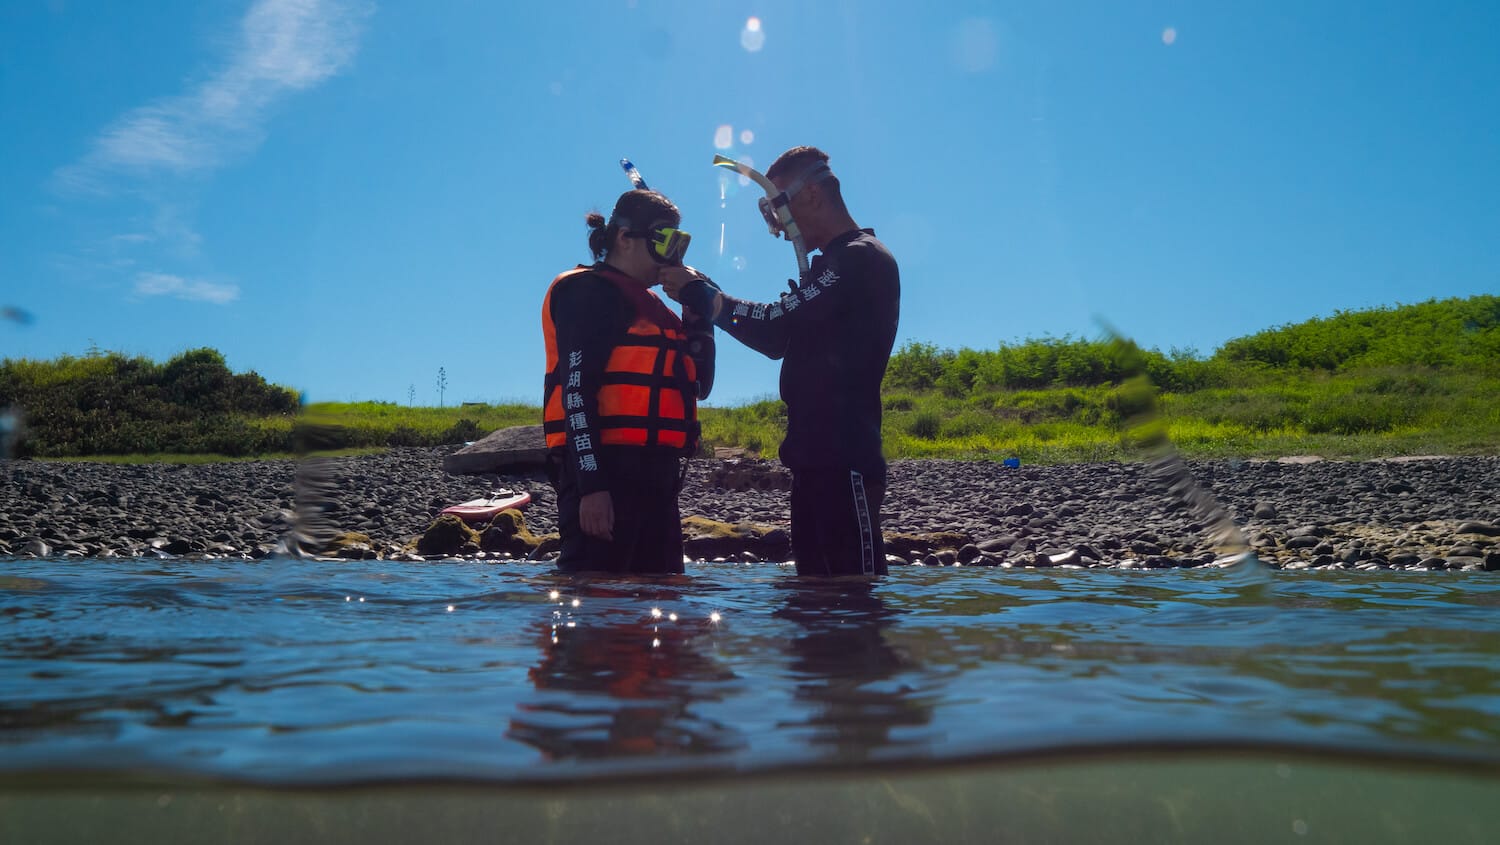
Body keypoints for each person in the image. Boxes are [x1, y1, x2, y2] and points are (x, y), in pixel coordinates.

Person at [662, 146, 900, 577]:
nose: (775, 225)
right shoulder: (833, 264)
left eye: (777, 207)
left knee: (855, 602)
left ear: (810, 195)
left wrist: (701, 293)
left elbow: (773, 327)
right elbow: (779, 334)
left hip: (844, 461)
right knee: (812, 606)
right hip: (813, 461)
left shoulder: (859, 258)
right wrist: (704, 287)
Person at [542, 188, 715, 575]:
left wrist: (698, 308)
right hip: (605, 474)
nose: (671, 255)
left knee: (665, 606)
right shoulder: (587, 292)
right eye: (664, 241)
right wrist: (593, 488)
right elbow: (576, 393)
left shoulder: (657, 310)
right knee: (595, 607)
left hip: (659, 477)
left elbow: (700, 384)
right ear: (624, 238)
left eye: (679, 244)